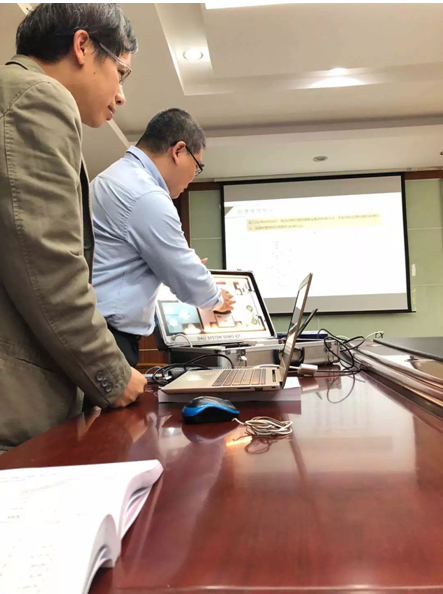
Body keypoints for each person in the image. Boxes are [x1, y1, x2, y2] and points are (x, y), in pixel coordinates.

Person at [0, 4, 147, 453]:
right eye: (121, 72)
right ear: (82, 46)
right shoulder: (37, 98)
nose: (121, 95)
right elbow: (49, 268)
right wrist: (113, 375)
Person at [91, 108, 235, 366]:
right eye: (197, 166)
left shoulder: (115, 176)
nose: (193, 177)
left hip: (95, 329)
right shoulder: (146, 195)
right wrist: (217, 299)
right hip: (108, 339)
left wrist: (176, 264)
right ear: (179, 151)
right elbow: (185, 277)